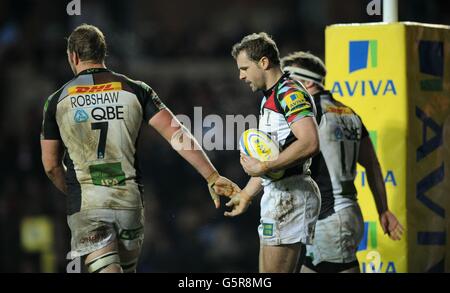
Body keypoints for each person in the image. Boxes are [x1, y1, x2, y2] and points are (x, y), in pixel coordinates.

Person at [40, 24, 239, 273]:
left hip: (89, 202)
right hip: (128, 201)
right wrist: (212, 175)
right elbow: (177, 133)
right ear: (103, 53)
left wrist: (73, 193)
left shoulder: (56, 101)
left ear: (73, 56)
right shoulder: (135, 89)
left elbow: (50, 166)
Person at [280, 51, 403, 273]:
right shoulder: (350, 112)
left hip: (329, 218)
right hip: (344, 213)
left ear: (308, 82)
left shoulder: (309, 113)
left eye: (288, 79)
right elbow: (372, 164)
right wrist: (383, 209)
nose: (284, 87)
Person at [224, 33, 321, 273]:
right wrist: (247, 194)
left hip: (291, 194)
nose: (241, 75)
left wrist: (265, 167)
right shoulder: (271, 96)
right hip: (279, 194)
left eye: (245, 68)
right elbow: (271, 157)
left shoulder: (289, 93)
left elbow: (309, 142)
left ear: (264, 63)